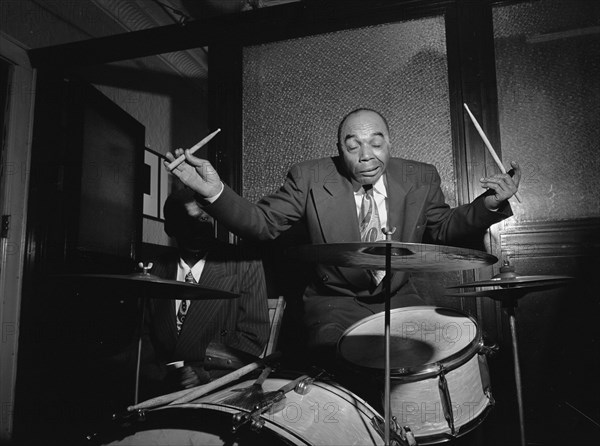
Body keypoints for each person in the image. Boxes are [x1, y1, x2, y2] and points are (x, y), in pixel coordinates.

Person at [164, 108, 521, 368]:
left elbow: (443, 228)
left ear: (389, 144)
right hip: (333, 300)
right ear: (339, 148)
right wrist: (214, 193)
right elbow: (262, 223)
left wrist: (487, 205)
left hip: (399, 296)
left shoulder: (420, 176)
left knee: (437, 357)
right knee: (340, 363)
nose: (367, 155)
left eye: (376, 143)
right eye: (353, 146)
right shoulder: (308, 176)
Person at [139, 188, 270, 397]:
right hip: (163, 389)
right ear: (170, 228)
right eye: (190, 220)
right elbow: (142, 339)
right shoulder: (155, 270)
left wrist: (206, 374)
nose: (201, 227)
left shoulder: (244, 264)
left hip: (220, 387)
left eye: (205, 219)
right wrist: (164, 376)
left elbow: (253, 337)